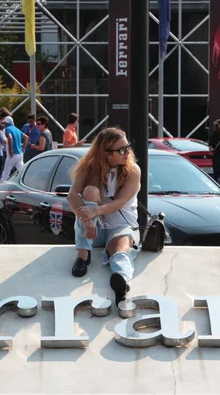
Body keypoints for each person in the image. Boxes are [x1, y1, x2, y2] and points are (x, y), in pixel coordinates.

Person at [67, 127, 141, 305]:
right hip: (93, 229)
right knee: (90, 192)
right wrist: (87, 217)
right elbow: (72, 196)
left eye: (128, 147)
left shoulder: (133, 171)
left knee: (120, 250)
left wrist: (96, 211)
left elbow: (121, 202)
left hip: (120, 225)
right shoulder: (90, 167)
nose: (128, 152)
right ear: (107, 154)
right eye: (122, 150)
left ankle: (121, 282)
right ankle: (83, 256)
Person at [0, 116, 28, 182]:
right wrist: (23, 148)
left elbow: (10, 138)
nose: (3, 125)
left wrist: (10, 149)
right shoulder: (17, 129)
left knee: (5, 173)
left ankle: (0, 188)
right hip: (20, 154)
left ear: (6, 123)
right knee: (22, 171)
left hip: (12, 154)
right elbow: (26, 137)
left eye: (4, 123)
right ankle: (27, 182)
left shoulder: (7, 129)